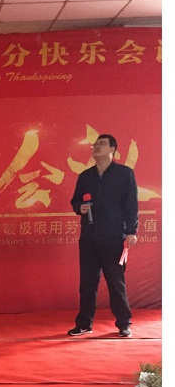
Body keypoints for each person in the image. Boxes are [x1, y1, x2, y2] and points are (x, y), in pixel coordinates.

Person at [68, 134, 138, 338]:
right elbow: (75, 201)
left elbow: (131, 205)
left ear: (112, 150)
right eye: (95, 144)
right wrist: (79, 207)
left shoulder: (124, 174)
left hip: (113, 237)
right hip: (89, 237)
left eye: (102, 144)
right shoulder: (85, 176)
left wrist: (131, 231)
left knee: (116, 283)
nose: (96, 147)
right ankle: (84, 324)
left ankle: (124, 323)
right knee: (87, 284)